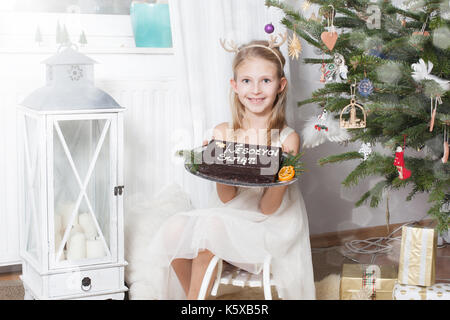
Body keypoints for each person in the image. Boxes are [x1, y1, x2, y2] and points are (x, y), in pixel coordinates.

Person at [146, 38, 315, 300]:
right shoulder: (224, 132)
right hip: (231, 214)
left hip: (272, 225)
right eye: (247, 81)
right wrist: (218, 164)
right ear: (235, 86)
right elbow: (227, 199)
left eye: (265, 81)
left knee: (209, 229)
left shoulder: (286, 139)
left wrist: (282, 172)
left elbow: (268, 209)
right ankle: (200, 298)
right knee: (174, 229)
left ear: (281, 86)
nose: (256, 90)